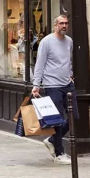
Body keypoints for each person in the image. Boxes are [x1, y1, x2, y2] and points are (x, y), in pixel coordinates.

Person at [30, 15, 76, 163]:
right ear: (55, 25)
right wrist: (36, 85)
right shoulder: (46, 42)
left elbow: (68, 61)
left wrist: (70, 75)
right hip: (52, 85)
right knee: (57, 120)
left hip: (67, 84)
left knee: (74, 117)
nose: (64, 26)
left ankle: (51, 139)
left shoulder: (69, 41)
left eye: (66, 23)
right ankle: (59, 153)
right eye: (61, 23)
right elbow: (40, 64)